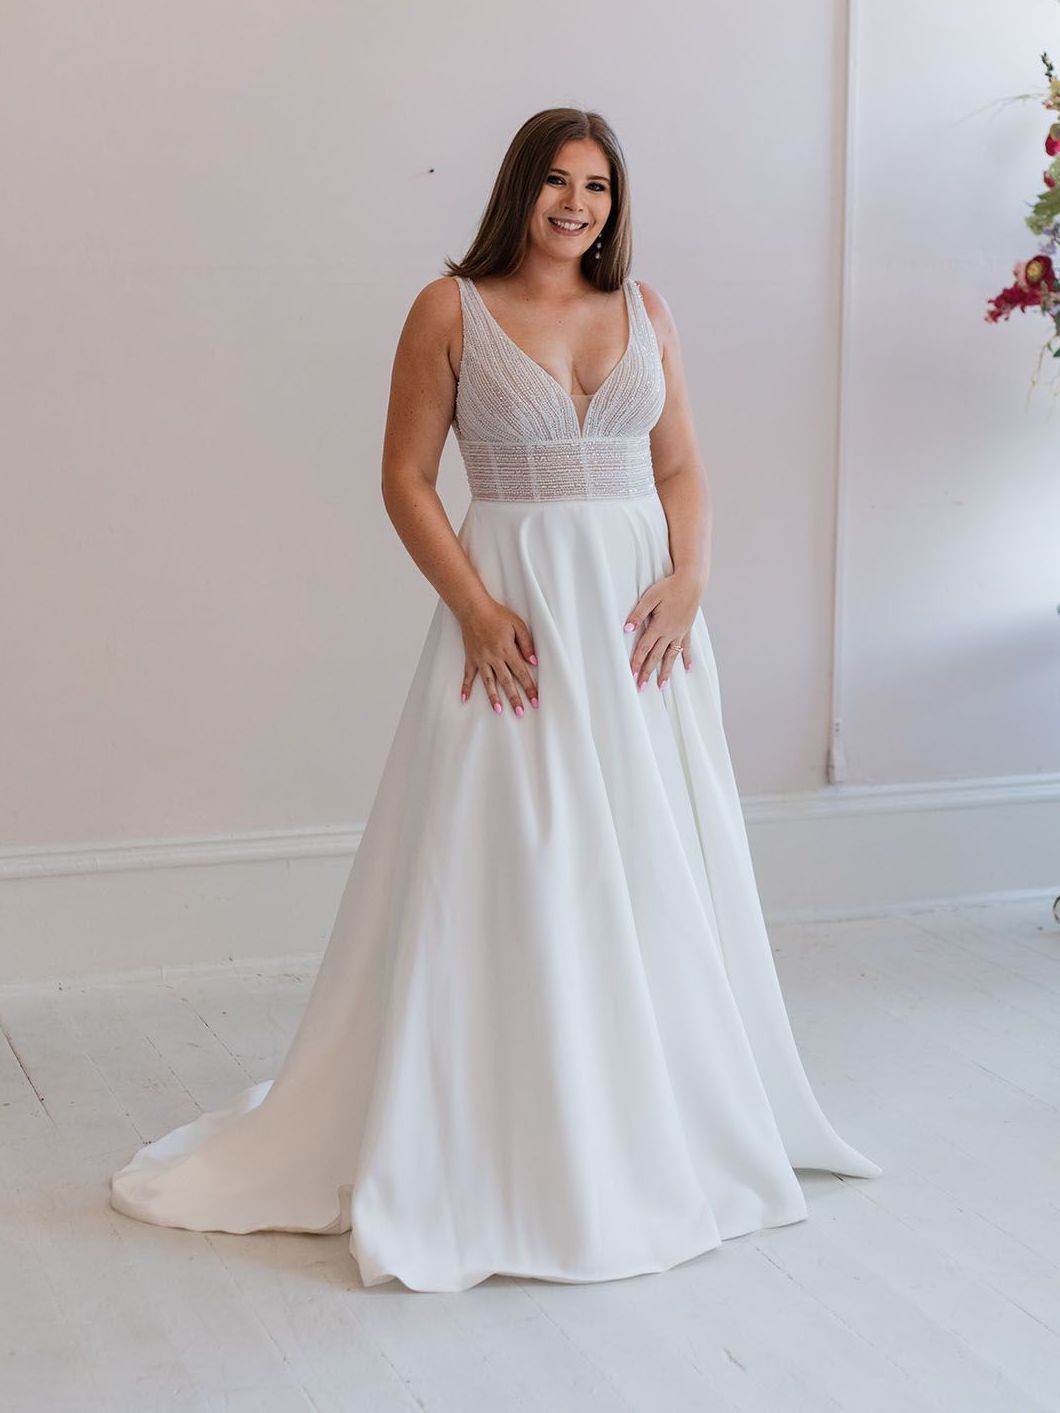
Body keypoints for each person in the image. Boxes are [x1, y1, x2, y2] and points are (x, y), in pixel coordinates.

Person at [109, 107, 882, 1294]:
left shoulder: (645, 310)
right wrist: (474, 607)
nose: (579, 206)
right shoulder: (448, 310)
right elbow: (405, 479)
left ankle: (657, 1115)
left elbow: (678, 465)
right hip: (515, 616)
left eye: (599, 188)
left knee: (652, 857)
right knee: (518, 859)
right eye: (559, 183)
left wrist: (691, 577)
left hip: (641, 629)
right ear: (520, 188)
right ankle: (514, 1133)